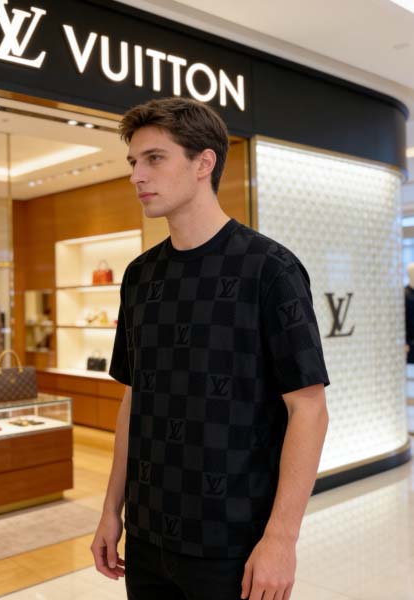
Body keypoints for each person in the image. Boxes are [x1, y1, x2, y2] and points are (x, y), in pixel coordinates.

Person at [91, 97, 330, 600]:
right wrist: (112, 511)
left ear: (204, 163)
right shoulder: (139, 276)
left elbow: (308, 408)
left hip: (234, 541)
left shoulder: (271, 269)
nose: (137, 175)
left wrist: (281, 540)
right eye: (133, 162)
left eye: (154, 158)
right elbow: (135, 398)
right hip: (148, 537)